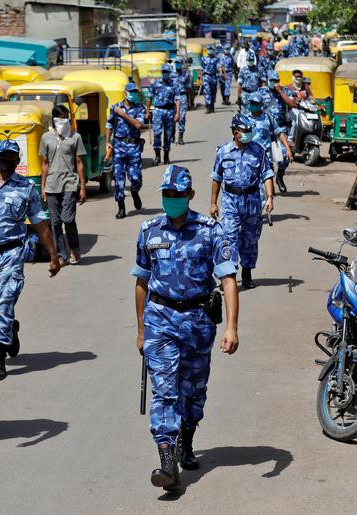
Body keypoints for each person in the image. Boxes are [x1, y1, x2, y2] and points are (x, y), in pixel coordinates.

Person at [132, 165, 239, 491]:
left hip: (197, 321)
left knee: (193, 391)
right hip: (160, 319)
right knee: (164, 391)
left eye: (178, 195)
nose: (172, 200)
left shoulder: (210, 231)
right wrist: (140, 329)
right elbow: (141, 281)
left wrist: (231, 327)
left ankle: (186, 440)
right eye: (167, 195)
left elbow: (228, 280)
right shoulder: (149, 230)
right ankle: (167, 460)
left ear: (190, 196)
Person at [0, 140, 62, 382]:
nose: (7, 160)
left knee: (3, 304)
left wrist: (53, 256)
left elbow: (40, 223)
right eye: (3, 156)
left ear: (17, 160)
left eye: (12, 157)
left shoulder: (27, 188)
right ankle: (10, 329)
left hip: (12, 254)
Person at [210, 114, 275, 289]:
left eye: (250, 130)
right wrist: (213, 203)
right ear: (235, 132)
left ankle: (247, 271)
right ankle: (229, 276)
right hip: (231, 200)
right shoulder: (223, 152)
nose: (249, 134)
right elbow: (216, 178)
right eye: (245, 131)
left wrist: (269, 197)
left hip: (252, 200)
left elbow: (267, 175)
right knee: (229, 238)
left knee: (250, 239)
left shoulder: (258, 150)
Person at [39, 104, 87, 265]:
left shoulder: (75, 137)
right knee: (55, 222)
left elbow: (79, 162)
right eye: (60, 118)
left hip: (70, 183)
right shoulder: (46, 138)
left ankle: (74, 248)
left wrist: (82, 187)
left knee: (68, 219)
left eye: (66, 117)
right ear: (54, 120)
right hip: (52, 185)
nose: (63, 121)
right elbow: (44, 163)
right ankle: (61, 255)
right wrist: (43, 187)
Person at [105, 82, 146, 219]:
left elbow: (139, 124)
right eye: (131, 91)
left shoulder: (139, 108)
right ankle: (121, 207)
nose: (133, 94)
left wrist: (123, 114)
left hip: (133, 146)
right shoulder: (115, 107)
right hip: (119, 146)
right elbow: (109, 124)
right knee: (118, 178)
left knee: (136, 178)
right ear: (125, 92)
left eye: (135, 92)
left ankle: (134, 192)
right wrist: (107, 142)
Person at [263, 70, 295, 193]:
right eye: (271, 81)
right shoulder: (261, 92)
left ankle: (280, 177)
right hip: (265, 130)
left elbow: (292, 104)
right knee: (267, 159)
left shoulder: (285, 91)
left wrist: (280, 92)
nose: (273, 83)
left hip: (280, 129)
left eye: (276, 81)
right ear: (267, 81)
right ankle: (270, 185)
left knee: (285, 156)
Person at [146, 64, 180, 166]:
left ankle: (166, 156)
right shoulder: (155, 84)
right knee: (157, 133)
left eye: (167, 72)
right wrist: (147, 112)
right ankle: (157, 156)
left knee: (168, 135)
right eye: (164, 72)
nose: (165, 74)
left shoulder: (174, 84)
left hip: (169, 111)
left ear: (170, 73)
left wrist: (178, 113)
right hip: (158, 111)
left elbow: (178, 99)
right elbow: (149, 98)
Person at [284, 69, 315, 146]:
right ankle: (290, 139)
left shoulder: (306, 87)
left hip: (304, 110)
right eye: (296, 76)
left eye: (300, 76)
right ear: (293, 77)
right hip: (292, 110)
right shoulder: (288, 87)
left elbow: (311, 96)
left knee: (312, 121)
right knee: (296, 120)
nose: (298, 78)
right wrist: (293, 102)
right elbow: (286, 99)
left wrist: (312, 100)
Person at [171, 58, 192, 145]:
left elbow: (188, 87)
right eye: (176, 63)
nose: (178, 65)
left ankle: (180, 137)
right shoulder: (171, 74)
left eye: (179, 63)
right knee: (171, 117)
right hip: (172, 97)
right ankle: (172, 135)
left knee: (182, 117)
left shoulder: (186, 74)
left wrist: (190, 100)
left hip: (182, 96)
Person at [199, 45, 222, 113]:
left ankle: (212, 106)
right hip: (206, 76)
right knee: (207, 91)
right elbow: (201, 69)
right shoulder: (203, 58)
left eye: (211, 49)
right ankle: (208, 107)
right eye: (209, 49)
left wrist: (220, 73)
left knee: (213, 92)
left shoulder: (216, 59)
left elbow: (219, 67)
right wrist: (200, 78)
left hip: (214, 77)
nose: (210, 50)